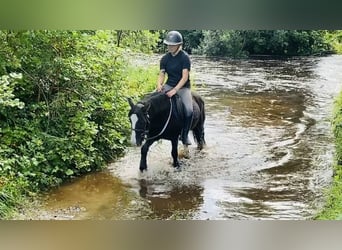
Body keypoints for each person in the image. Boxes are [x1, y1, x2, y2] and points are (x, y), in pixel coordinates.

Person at [157, 30, 193, 145]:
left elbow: (184, 77)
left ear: (179, 45)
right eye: (168, 45)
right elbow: (162, 74)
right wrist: (159, 85)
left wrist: (174, 90)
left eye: (172, 45)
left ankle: (185, 135)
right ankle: (154, 129)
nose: (170, 47)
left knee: (189, 110)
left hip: (183, 87)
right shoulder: (165, 58)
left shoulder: (184, 58)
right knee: (153, 102)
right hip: (169, 84)